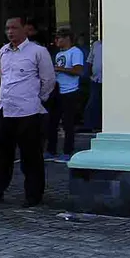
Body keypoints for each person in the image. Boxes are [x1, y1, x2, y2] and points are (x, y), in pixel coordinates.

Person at [0, 17, 56, 207]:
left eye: (14, 28)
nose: (10, 32)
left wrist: (36, 99)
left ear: (25, 29)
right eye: (7, 28)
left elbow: (48, 81)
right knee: (1, 155)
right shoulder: (3, 51)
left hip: (29, 111)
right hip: (5, 109)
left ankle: (33, 196)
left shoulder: (38, 52)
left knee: (31, 156)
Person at [46, 27, 84, 161]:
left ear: (67, 38)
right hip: (57, 90)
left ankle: (68, 151)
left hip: (70, 91)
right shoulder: (58, 54)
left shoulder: (75, 52)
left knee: (68, 124)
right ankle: (51, 149)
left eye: (59, 38)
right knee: (52, 122)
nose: (56, 41)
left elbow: (78, 70)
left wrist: (59, 69)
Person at [84, 38, 103, 132]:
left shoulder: (114, 44)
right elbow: (90, 60)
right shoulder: (96, 44)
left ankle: (99, 125)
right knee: (93, 102)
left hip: (109, 81)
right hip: (95, 79)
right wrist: (89, 74)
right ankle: (89, 125)